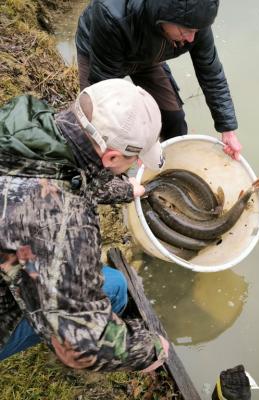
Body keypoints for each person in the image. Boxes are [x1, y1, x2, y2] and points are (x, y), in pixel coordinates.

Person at [0, 78, 169, 371]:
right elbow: (80, 343)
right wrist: (151, 349)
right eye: (131, 159)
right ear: (113, 155)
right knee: (114, 286)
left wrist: (127, 190)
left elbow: (61, 175)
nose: (130, 166)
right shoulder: (63, 225)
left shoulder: (21, 130)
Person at [75, 0, 242, 160]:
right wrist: (138, 147)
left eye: (196, 30)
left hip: (148, 57)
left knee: (174, 118)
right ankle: (112, 182)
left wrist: (227, 129)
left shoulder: (196, 22)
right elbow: (106, 94)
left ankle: (173, 167)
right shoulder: (111, 14)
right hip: (101, 53)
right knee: (101, 128)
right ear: (163, 17)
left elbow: (211, 73)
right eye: (186, 31)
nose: (191, 38)